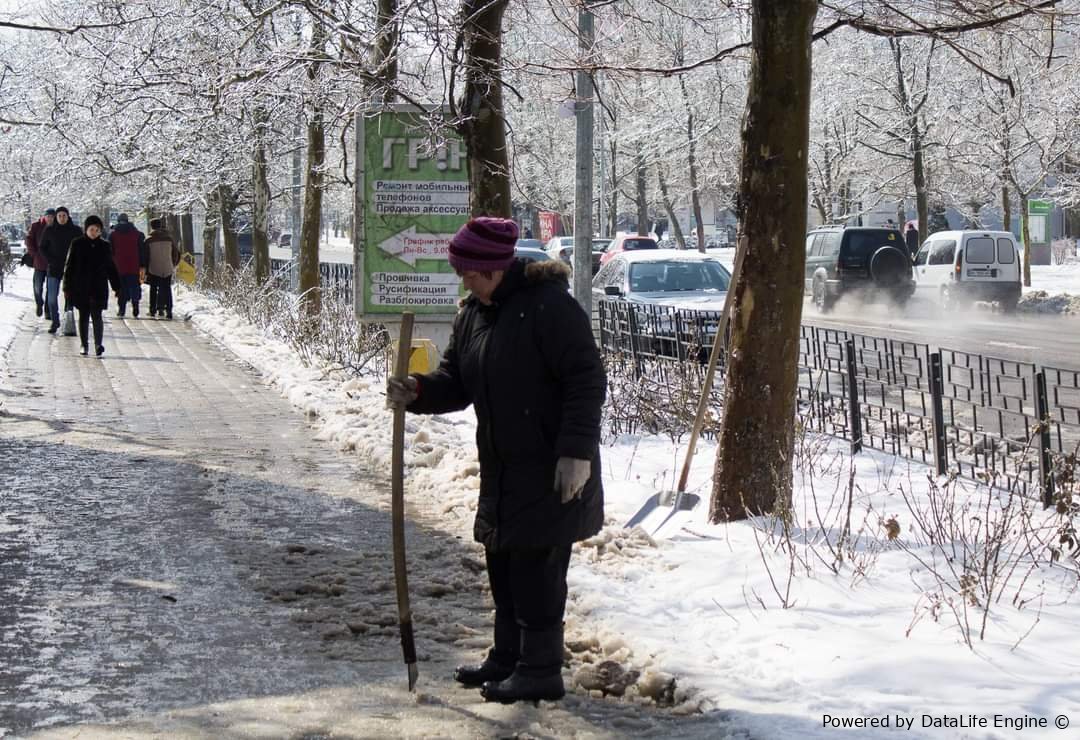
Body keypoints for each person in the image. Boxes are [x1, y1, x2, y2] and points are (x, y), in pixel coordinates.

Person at [386, 217, 606, 704]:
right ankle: (508, 658)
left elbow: (586, 380)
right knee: (503, 567)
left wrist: (575, 454)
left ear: (492, 268)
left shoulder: (550, 309)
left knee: (538, 572)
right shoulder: (475, 313)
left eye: (468, 271)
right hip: (503, 466)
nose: (462, 279)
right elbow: (457, 381)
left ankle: (541, 670)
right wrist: (418, 390)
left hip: (552, 469)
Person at [63, 215, 121, 357]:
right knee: (83, 316)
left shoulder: (104, 246)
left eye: (97, 230)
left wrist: (117, 286)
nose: (94, 232)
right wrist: (67, 286)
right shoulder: (77, 244)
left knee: (97, 316)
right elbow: (69, 266)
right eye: (91, 229)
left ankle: (98, 344)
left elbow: (110, 267)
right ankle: (84, 344)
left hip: (98, 286)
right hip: (81, 286)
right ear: (86, 229)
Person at [38, 206, 82, 334]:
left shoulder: (75, 231)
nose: (62, 218)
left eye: (64, 216)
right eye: (59, 216)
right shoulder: (50, 230)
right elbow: (42, 247)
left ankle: (68, 319)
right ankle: (55, 320)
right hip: (54, 267)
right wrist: (50, 260)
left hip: (70, 268)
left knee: (69, 296)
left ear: (68, 217)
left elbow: (81, 247)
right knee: (51, 298)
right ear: (56, 217)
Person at [109, 213, 147, 317]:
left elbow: (110, 251)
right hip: (134, 265)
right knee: (134, 286)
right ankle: (135, 307)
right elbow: (141, 250)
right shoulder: (137, 234)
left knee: (121, 288)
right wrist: (142, 264)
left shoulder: (113, 235)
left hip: (119, 266)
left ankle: (121, 309)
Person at [24, 208, 55, 319]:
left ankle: (47, 310)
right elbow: (29, 239)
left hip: (52, 263)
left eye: (52, 217)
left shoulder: (57, 228)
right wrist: (34, 253)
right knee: (37, 286)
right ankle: (39, 303)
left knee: (50, 289)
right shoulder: (36, 226)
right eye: (48, 216)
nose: (50, 219)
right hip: (39, 262)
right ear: (44, 217)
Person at [145, 218, 180, 319]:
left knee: (153, 288)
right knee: (166, 288)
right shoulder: (169, 239)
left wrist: (146, 268)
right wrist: (173, 264)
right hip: (167, 267)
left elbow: (145, 255)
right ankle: (168, 310)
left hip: (154, 267)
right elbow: (176, 253)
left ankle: (153, 309)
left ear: (152, 226)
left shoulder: (149, 240)